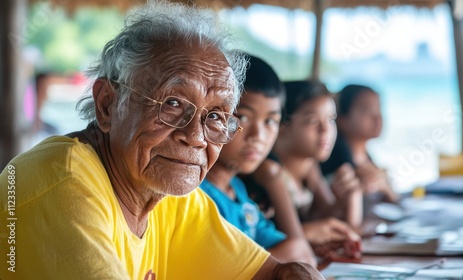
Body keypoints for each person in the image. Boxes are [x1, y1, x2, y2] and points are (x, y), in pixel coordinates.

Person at [0, 2, 323, 279]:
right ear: (108, 105)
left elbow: (272, 275)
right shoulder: (64, 185)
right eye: (172, 104)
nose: (195, 137)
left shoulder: (170, 197)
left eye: (215, 116)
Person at [200, 54, 317, 267]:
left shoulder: (237, 190)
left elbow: (300, 251)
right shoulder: (198, 197)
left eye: (270, 121)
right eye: (243, 116)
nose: (258, 135)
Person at [244, 80, 362, 262]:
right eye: (312, 121)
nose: (325, 130)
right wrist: (309, 232)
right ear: (281, 127)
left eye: (331, 119)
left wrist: (352, 196)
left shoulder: (310, 167)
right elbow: (292, 243)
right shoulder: (268, 171)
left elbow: (335, 223)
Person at [320, 84, 399, 206]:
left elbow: (395, 200)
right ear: (341, 119)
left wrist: (385, 188)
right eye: (366, 109)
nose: (377, 117)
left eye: (378, 108)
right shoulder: (335, 169)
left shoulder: (368, 159)